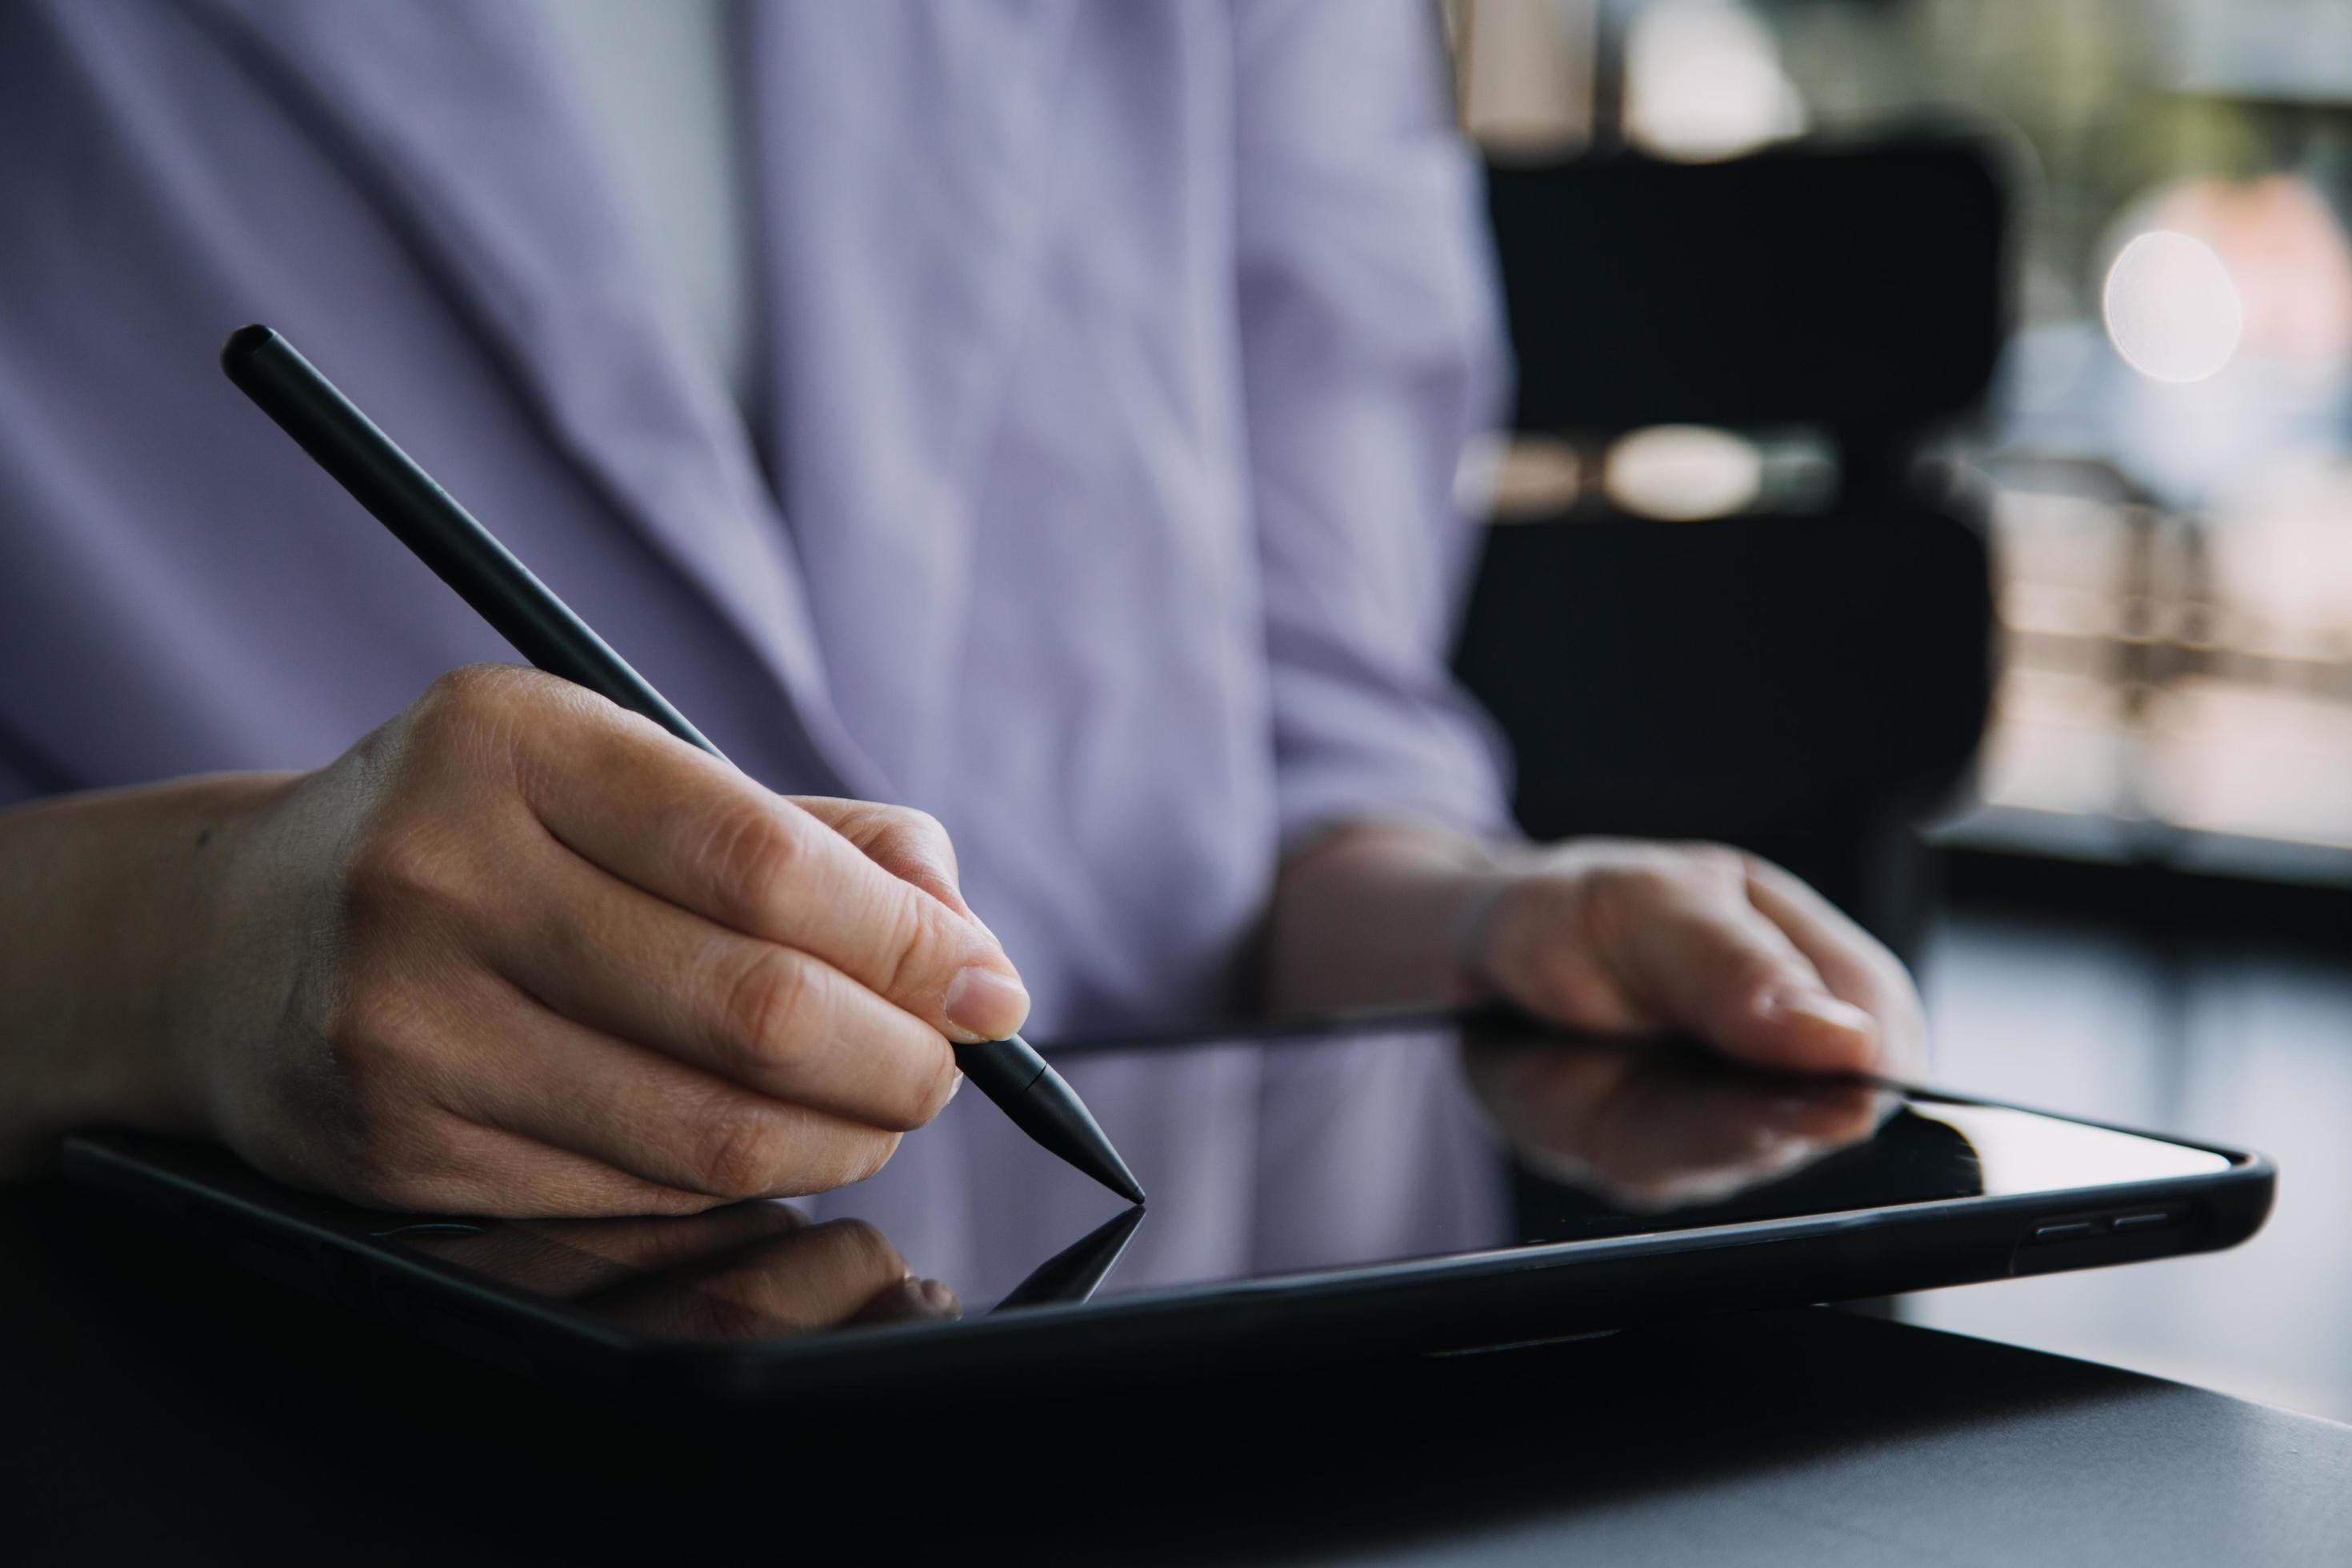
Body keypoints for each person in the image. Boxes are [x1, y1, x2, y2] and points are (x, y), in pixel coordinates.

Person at [0, 0, 1923, 1216]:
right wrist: (174, 955)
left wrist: (1467, 927)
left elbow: (1315, 708)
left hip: (1138, 1381)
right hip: (215, 1382)